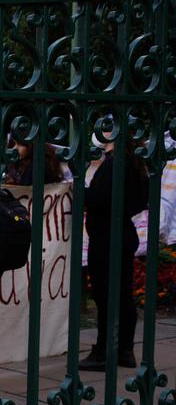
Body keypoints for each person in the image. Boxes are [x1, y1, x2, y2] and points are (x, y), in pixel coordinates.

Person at [81, 143, 149, 370]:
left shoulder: (115, 163)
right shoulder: (134, 162)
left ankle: (104, 351)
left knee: (106, 295)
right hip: (121, 233)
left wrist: (82, 192)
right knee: (121, 294)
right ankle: (124, 349)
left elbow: (100, 197)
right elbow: (140, 198)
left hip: (107, 236)